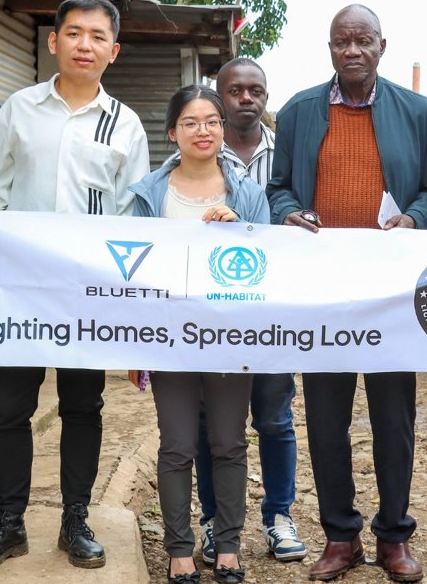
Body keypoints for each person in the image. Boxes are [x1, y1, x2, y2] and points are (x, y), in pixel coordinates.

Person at [0, 0, 150, 571]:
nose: (85, 45)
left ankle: (75, 521)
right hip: (20, 288)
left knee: (83, 405)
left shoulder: (125, 124)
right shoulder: (20, 109)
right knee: (8, 406)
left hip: (87, 292)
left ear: (114, 51)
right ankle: (8, 524)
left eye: (97, 36)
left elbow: (134, 215)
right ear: (54, 41)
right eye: (74, 33)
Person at [267, 3, 427, 583]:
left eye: (363, 40)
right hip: (324, 288)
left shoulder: (415, 111)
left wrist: (414, 218)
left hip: (391, 289)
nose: (353, 51)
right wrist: (290, 212)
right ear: (330, 48)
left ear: (381, 46)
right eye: (342, 41)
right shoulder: (298, 111)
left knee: (394, 418)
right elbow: (278, 189)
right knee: (325, 417)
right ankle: (340, 536)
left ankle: (394, 537)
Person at [131, 84, 269, 584]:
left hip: (232, 340)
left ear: (223, 129)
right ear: (172, 133)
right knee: (177, 445)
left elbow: (268, 261)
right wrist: (136, 343)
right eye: (190, 122)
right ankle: (180, 551)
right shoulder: (148, 194)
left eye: (211, 121)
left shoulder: (247, 193)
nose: (202, 130)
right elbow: (134, 269)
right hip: (169, 339)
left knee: (229, 443)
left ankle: (228, 547)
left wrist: (241, 228)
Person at [186, 59, 307, 566]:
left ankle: (279, 516)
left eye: (255, 90)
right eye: (235, 90)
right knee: (211, 424)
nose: (246, 98)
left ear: (266, 97)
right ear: (219, 97)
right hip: (212, 317)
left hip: (272, 313)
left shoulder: (287, 155)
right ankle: (215, 521)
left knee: (275, 419)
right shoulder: (194, 152)